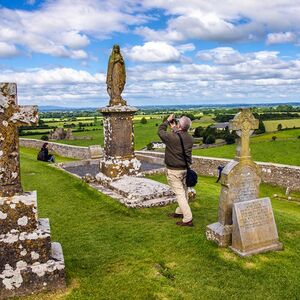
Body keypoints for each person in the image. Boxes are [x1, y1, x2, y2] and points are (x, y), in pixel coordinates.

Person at [158, 114, 194, 227]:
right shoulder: (189, 138)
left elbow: (160, 131)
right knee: (184, 191)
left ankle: (188, 218)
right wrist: (174, 128)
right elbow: (179, 137)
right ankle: (180, 212)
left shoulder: (172, 137)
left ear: (179, 125)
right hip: (185, 170)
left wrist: (167, 121)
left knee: (180, 194)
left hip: (174, 171)